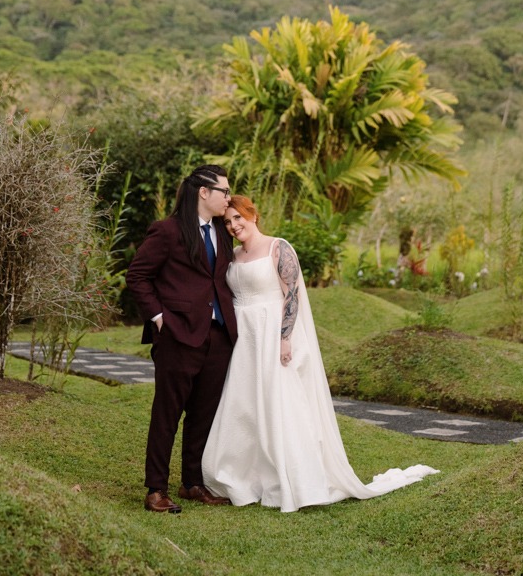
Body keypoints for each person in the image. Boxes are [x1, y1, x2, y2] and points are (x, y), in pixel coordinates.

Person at [202, 195, 438, 512]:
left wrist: (284, 337)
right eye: (228, 222)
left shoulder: (278, 247)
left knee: (280, 403)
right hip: (244, 340)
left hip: (272, 333)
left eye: (238, 218)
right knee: (245, 406)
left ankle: (294, 478)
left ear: (253, 215)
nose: (233, 226)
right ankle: (247, 476)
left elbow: (292, 294)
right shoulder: (232, 256)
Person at [127, 164, 238, 514]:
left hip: (218, 338)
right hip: (177, 337)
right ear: (204, 193)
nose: (228, 197)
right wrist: (160, 319)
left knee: (204, 414)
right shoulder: (167, 231)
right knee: (167, 413)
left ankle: (192, 483)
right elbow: (138, 276)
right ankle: (155, 489)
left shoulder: (222, 231)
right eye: (224, 191)